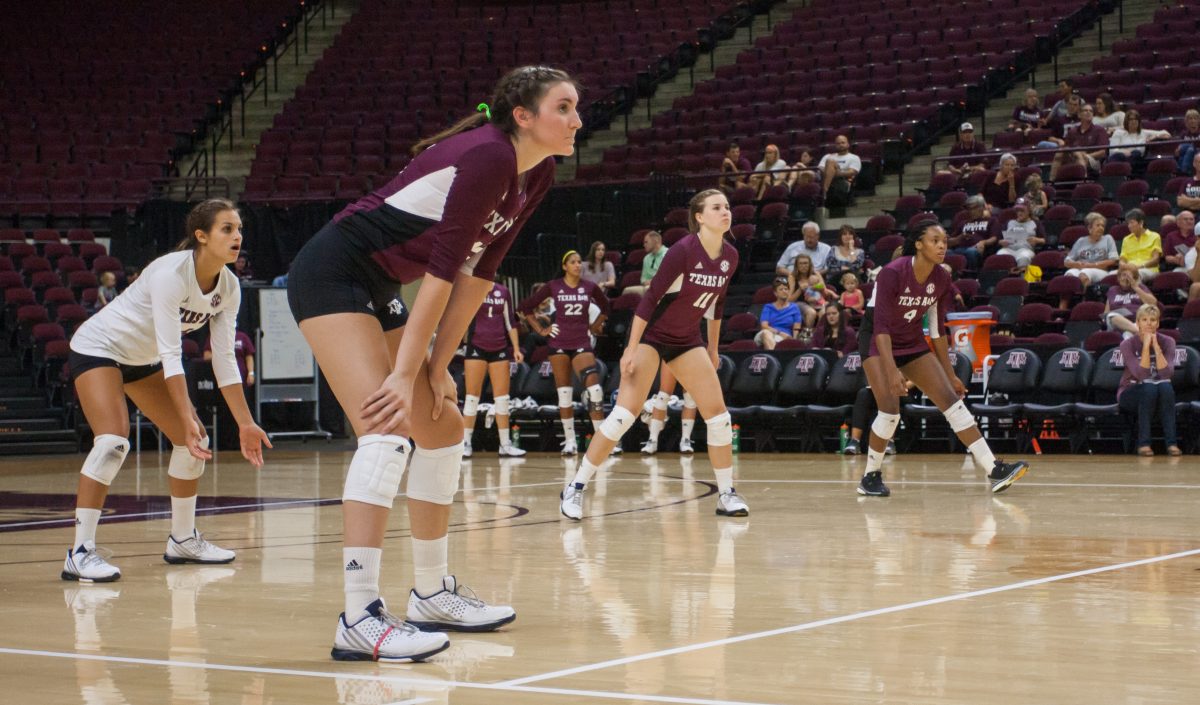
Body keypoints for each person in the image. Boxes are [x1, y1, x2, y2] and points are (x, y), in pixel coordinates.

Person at [286, 66, 577, 661]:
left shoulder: (536, 172)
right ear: (523, 116)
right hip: (333, 271)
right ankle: (359, 615)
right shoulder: (490, 157)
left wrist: (437, 363)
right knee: (386, 427)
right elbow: (443, 271)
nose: (577, 120)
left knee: (441, 425)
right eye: (564, 108)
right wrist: (403, 372)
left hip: (384, 280)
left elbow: (481, 272)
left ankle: (430, 594)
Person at [63, 198, 271, 584]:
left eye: (239, 229)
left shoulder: (229, 287)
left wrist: (245, 423)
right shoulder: (170, 274)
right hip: (99, 348)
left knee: (193, 441)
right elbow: (171, 354)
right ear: (201, 236)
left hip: (141, 360)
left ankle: (183, 539)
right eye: (227, 229)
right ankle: (80, 551)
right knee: (112, 441)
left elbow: (224, 360)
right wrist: (187, 414)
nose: (237, 236)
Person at [559, 189, 748, 520]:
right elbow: (648, 301)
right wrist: (630, 349)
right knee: (623, 416)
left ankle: (726, 494)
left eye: (728, 207)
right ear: (700, 217)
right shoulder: (682, 251)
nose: (726, 211)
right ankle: (575, 487)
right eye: (717, 207)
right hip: (652, 335)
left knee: (719, 417)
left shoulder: (730, 256)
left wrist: (713, 348)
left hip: (687, 339)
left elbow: (718, 303)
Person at [855, 217, 1029, 497]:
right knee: (889, 412)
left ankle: (994, 469)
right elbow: (880, 327)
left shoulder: (942, 277)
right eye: (935, 241)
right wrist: (891, 371)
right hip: (878, 341)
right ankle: (870, 476)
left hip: (911, 340)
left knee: (952, 401)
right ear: (919, 244)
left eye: (945, 241)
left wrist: (950, 375)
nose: (942, 246)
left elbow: (936, 331)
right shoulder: (892, 273)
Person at [521, 250, 611, 454]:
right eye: (573, 262)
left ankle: (600, 441)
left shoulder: (590, 287)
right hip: (559, 342)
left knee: (595, 390)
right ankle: (569, 441)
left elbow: (606, 307)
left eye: (580, 262)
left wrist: (596, 326)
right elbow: (526, 307)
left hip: (581, 341)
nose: (578, 265)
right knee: (564, 394)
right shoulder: (553, 286)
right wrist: (542, 330)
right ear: (565, 266)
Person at [461, 280, 525, 459]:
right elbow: (462, 316)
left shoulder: (503, 291)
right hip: (476, 346)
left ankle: (505, 445)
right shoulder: (472, 288)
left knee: (502, 398)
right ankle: (465, 443)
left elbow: (510, 322)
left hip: (499, 348)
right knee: (472, 397)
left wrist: (517, 349)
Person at [1117, 304, 1181, 457]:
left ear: (1158, 323)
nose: (1149, 323)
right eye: (1144, 320)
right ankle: (1143, 443)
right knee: (1149, 387)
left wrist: (1156, 348)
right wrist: (1146, 347)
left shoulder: (1168, 342)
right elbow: (1141, 375)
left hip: (1159, 391)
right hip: (1130, 392)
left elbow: (1166, 374)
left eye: (1153, 320)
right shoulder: (1127, 344)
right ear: (1137, 322)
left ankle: (1171, 443)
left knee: (1165, 387)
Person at [640, 361, 699, 455]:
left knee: (690, 396)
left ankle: (686, 440)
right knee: (663, 395)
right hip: (671, 349)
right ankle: (652, 440)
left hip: (692, 349)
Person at [1050, 103, 1108, 179]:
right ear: (1079, 115)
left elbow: (1102, 152)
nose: (1088, 112)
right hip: (1074, 157)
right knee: (1059, 153)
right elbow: (1066, 148)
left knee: (1077, 152)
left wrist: (1086, 155)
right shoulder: (1073, 131)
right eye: (1085, 110)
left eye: (1091, 111)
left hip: (1093, 160)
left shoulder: (1099, 130)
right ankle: (1052, 182)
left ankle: (1083, 181)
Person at [1064, 212, 1120, 290]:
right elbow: (1066, 262)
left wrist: (1093, 265)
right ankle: (1065, 302)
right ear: (1089, 227)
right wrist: (1076, 264)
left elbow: (1113, 260)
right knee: (1069, 275)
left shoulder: (1108, 239)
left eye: (1103, 226)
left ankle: (1086, 300)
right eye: (1098, 225)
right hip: (1080, 268)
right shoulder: (1081, 241)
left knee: (1084, 274)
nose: (1101, 228)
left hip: (1100, 270)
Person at [948, 195, 999, 268]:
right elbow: (949, 242)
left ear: (982, 208)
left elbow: (994, 238)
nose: (971, 211)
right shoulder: (963, 223)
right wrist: (959, 238)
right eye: (969, 209)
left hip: (978, 249)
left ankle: (972, 275)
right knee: (947, 252)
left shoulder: (991, 220)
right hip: (961, 248)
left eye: (974, 208)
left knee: (971, 251)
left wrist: (983, 242)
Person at [1103, 266, 1157, 336]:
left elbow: (1153, 303)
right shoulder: (1112, 290)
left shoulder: (1140, 288)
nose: (1126, 278)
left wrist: (1135, 288)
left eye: (1129, 276)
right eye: (1124, 275)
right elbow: (1106, 312)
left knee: (1127, 334)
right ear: (1119, 278)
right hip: (1116, 323)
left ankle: (1136, 331)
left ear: (1134, 279)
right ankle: (1140, 332)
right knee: (1111, 315)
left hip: (1136, 321)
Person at [996, 198, 1045, 270]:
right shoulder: (1009, 222)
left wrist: (1037, 240)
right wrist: (1001, 242)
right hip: (1008, 249)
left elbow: (1044, 240)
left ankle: (1021, 279)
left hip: (1025, 249)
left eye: (1022, 210)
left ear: (1028, 211)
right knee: (999, 255)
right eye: (1017, 211)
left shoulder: (1035, 223)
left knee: (1024, 258)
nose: (1019, 213)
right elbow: (999, 239)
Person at [755, 282, 804, 350]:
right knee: (766, 333)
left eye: (786, 289)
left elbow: (796, 328)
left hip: (786, 337)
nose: (784, 291)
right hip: (767, 333)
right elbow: (764, 326)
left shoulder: (794, 307)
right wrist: (779, 333)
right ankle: (772, 358)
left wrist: (793, 341)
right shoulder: (768, 307)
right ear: (776, 293)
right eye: (781, 289)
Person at [1119, 208, 1163, 282]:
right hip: (1129, 269)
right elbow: (1122, 259)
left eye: (1132, 223)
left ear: (1141, 223)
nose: (1129, 226)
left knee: (1133, 275)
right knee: (1111, 275)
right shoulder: (1126, 239)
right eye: (1128, 223)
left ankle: (1135, 293)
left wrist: (1140, 266)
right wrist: (1123, 265)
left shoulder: (1155, 236)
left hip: (1148, 269)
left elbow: (1156, 259)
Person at [818, 134, 861, 206]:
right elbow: (820, 169)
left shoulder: (854, 157)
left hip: (842, 181)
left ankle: (824, 192)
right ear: (835, 145)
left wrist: (834, 173)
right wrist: (830, 173)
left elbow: (852, 172)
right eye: (838, 143)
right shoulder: (827, 156)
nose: (840, 145)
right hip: (824, 178)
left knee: (830, 162)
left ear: (848, 144)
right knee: (806, 173)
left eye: (843, 143)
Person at [786, 254, 825, 331]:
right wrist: (800, 289)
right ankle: (808, 334)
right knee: (812, 313)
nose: (803, 266)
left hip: (817, 301)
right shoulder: (792, 277)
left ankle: (818, 334)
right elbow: (789, 300)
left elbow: (823, 287)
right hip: (800, 302)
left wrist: (812, 287)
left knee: (824, 313)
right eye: (801, 263)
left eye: (805, 263)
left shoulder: (816, 274)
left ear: (810, 264)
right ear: (796, 265)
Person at [623, 230, 667, 296]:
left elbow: (667, 277)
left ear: (655, 241)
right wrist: (646, 282)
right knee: (627, 291)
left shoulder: (668, 254)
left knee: (648, 290)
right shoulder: (646, 258)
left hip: (665, 287)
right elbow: (643, 279)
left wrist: (653, 282)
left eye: (646, 242)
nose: (644, 245)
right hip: (648, 286)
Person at [1175, 109, 1200, 174]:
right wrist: (1177, 153)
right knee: (1183, 152)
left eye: (1195, 118)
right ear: (1186, 121)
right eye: (1190, 119)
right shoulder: (1183, 134)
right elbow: (1178, 150)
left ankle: (1182, 172)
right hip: (1187, 157)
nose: (1193, 121)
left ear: (1198, 121)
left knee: (1190, 148)